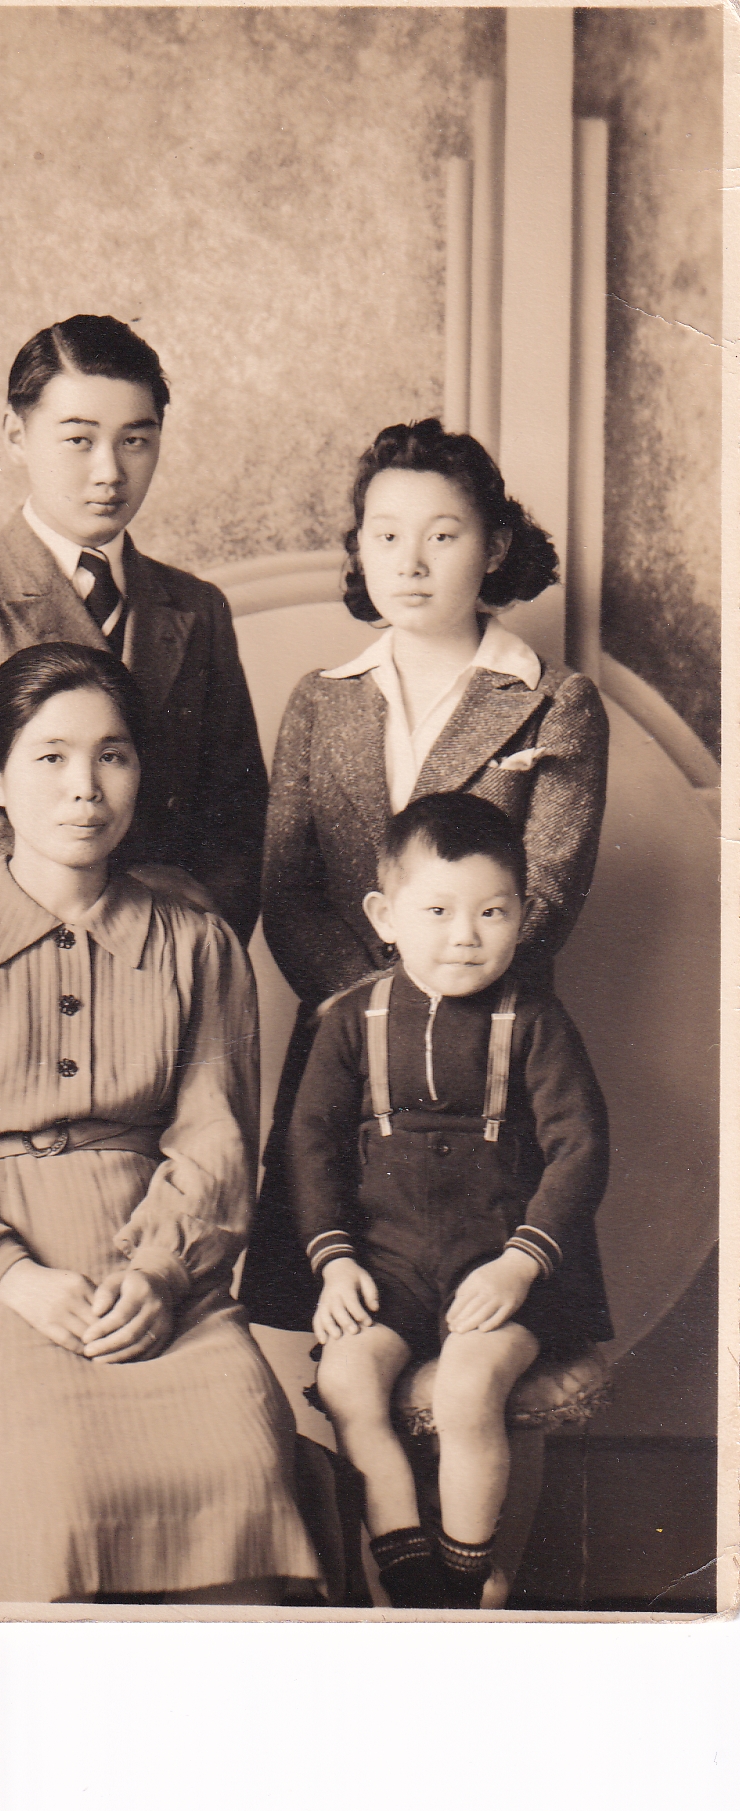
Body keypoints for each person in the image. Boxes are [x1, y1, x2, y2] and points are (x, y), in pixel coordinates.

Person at [0, 641, 322, 1603]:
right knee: (52, 1490)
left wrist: (157, 1273)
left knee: (248, 1463)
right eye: (51, 757)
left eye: (113, 755)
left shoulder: (194, 941)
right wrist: (15, 1280)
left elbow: (214, 1142)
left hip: (163, 1274)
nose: (85, 788)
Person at [241, 416, 609, 1327]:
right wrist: (375, 1014)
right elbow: (287, 889)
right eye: (385, 535)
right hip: (342, 1047)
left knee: (491, 1337)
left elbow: (548, 888)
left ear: (495, 548)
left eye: (442, 536)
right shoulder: (322, 702)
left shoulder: (554, 702)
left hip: (497, 1048)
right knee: (355, 1328)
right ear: (359, 549)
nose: (410, 561)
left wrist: (441, 997)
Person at [287, 794, 612, 1609]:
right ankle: (405, 1565)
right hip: (390, 1271)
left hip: (502, 1274)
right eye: (437, 910)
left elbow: (581, 1146)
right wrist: (333, 1266)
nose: (465, 934)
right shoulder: (349, 1022)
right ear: (384, 915)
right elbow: (312, 1144)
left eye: (491, 911)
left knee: (468, 1388)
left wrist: (519, 1263)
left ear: (523, 916)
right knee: (348, 1384)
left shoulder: (534, 1021)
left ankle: (463, 1579)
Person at [0, 315, 267, 946]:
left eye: (135, 440)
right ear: (15, 435)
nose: (109, 471)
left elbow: (240, 820)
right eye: (79, 440)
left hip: (156, 955)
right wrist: (98, 894)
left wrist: (193, 940)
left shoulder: (197, 608)